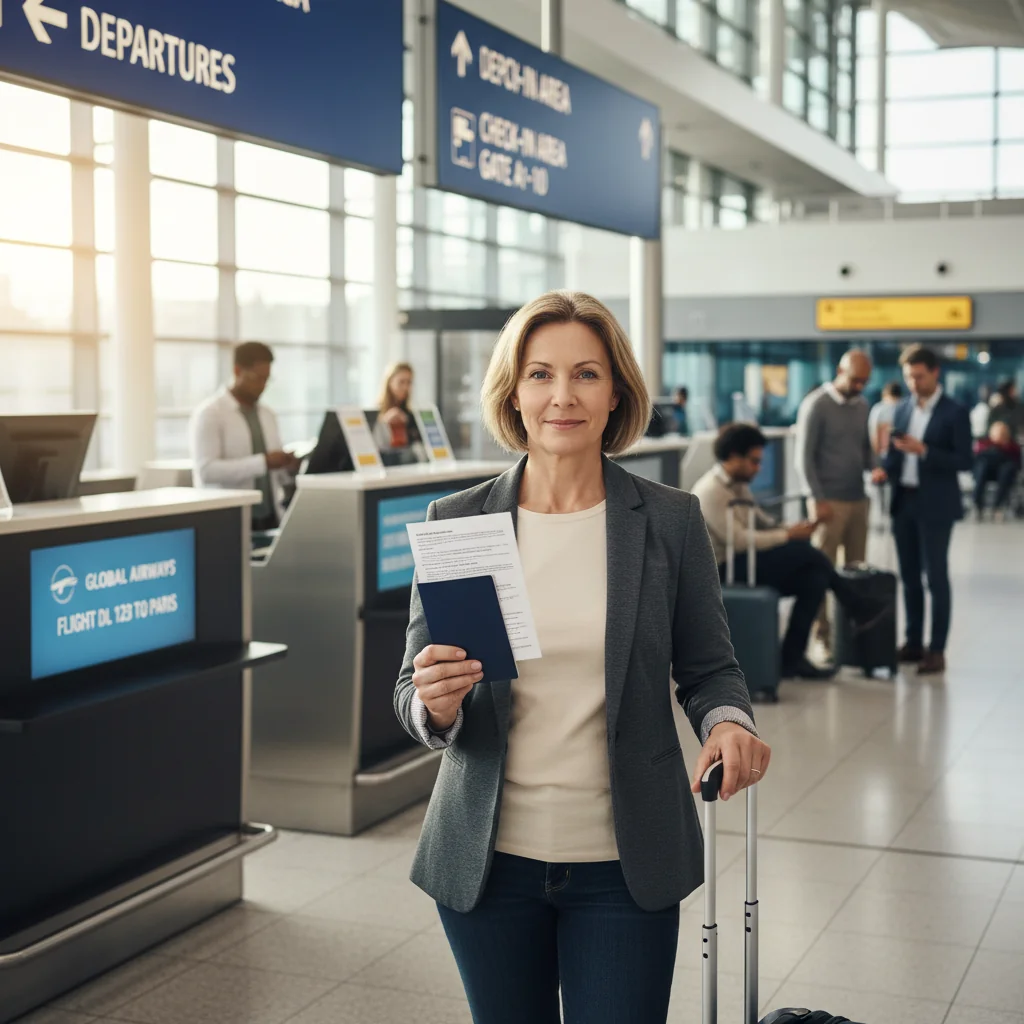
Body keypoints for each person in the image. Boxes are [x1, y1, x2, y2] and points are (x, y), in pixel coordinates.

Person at [394, 291, 771, 1024]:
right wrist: (431, 706)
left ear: (616, 392)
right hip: (486, 862)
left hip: (624, 863)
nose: (562, 396)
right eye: (540, 374)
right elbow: (415, 685)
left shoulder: (668, 521)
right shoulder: (462, 521)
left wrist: (727, 721)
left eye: (586, 374)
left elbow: (709, 668)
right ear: (513, 393)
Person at [693, 423, 890, 681]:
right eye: (754, 461)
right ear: (733, 457)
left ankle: (791, 660)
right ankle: (856, 604)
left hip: (746, 560)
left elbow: (763, 522)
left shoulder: (738, 486)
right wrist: (788, 536)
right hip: (724, 567)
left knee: (814, 580)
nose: (758, 468)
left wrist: (792, 529)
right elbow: (739, 541)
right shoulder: (710, 491)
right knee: (804, 552)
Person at [872, 345, 973, 675]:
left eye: (919, 376)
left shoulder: (955, 412)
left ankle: (937, 649)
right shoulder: (901, 409)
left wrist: (925, 450)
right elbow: (895, 454)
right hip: (904, 501)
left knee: (936, 578)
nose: (913, 383)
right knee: (909, 577)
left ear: (934, 373)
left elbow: (965, 461)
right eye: (908, 377)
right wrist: (884, 470)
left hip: (937, 505)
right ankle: (914, 642)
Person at [794, 350, 875, 656]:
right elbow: (803, 458)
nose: (859, 386)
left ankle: (852, 638)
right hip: (828, 501)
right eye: (855, 380)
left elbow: (864, 449)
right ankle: (822, 636)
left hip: (858, 499)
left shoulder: (863, 406)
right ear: (840, 371)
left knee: (856, 572)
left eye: (864, 381)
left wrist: (876, 467)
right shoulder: (816, 404)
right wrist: (816, 498)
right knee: (821, 572)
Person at [189, 341, 298, 532]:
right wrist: (263, 462)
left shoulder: (268, 415)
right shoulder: (210, 414)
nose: (262, 386)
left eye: (267, 379)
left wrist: (287, 466)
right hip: (229, 519)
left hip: (270, 518)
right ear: (238, 371)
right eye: (257, 378)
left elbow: (276, 476)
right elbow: (206, 471)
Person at [973, 421, 1021, 521]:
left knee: (1007, 470)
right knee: (981, 468)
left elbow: (1017, 464)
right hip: (987, 472)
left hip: (1004, 474)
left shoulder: (1012, 446)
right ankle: (978, 505)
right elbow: (977, 459)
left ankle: (998, 506)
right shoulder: (984, 443)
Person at [374, 361, 420, 452]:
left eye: (409, 382)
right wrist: (384, 422)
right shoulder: (375, 412)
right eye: (401, 382)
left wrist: (408, 423)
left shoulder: (412, 416)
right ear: (390, 382)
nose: (405, 387)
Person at [869, 381, 904, 455]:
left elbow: (874, 431)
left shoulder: (879, 408)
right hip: (893, 451)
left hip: (886, 451)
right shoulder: (903, 407)